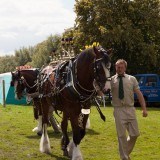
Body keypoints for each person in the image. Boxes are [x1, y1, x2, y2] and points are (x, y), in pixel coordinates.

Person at [110, 59, 148, 160]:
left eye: (121, 67)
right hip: (118, 110)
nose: (119, 69)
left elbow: (139, 94)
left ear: (125, 68)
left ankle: (125, 153)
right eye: (117, 67)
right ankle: (125, 158)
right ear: (115, 68)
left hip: (130, 109)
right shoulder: (111, 80)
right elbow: (102, 91)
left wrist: (144, 109)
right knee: (121, 136)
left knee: (135, 134)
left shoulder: (132, 79)